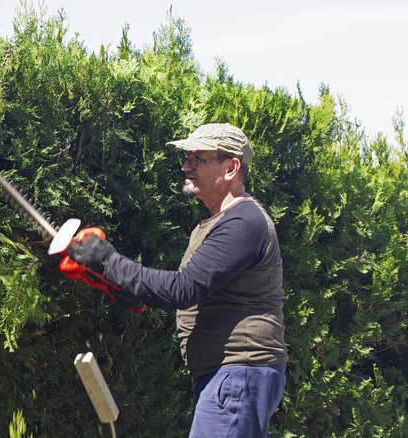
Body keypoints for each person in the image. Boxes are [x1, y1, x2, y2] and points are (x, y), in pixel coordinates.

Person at [67, 123, 288, 437]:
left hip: (238, 373)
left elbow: (184, 289)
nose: (186, 166)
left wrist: (108, 260)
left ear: (232, 167)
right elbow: (183, 289)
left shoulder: (244, 221)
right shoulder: (215, 224)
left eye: (197, 158)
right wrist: (122, 286)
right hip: (229, 376)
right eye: (186, 158)